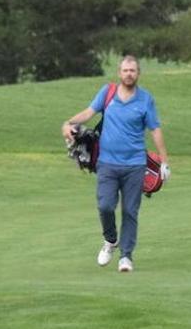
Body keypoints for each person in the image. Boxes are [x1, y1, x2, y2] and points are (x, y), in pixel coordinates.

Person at [61, 56, 169, 273]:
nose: (129, 74)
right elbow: (89, 113)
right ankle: (110, 240)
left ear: (138, 74)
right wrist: (69, 123)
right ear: (119, 73)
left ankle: (126, 256)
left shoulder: (146, 100)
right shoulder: (107, 92)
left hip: (135, 165)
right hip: (107, 164)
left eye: (133, 70)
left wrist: (164, 161)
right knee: (105, 206)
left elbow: (155, 130)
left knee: (130, 211)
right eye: (125, 70)